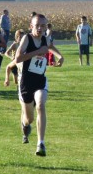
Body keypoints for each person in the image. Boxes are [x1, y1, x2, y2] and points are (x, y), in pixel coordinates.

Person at [15, 14, 64, 157]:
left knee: (41, 105)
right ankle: (24, 124)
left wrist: (60, 56)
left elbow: (49, 46)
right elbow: (17, 58)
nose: (40, 28)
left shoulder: (45, 38)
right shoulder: (26, 39)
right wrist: (37, 52)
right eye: (37, 25)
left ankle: (40, 143)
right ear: (31, 26)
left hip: (40, 80)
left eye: (43, 26)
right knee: (29, 118)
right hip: (26, 83)